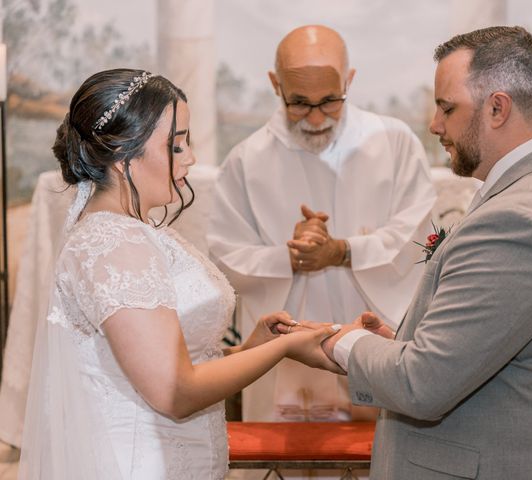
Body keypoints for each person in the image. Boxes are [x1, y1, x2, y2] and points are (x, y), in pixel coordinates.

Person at [318, 26, 532, 479]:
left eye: (446, 108)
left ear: (497, 107)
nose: (435, 124)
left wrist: (339, 342)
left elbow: (422, 384)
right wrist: (397, 347)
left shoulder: (524, 218)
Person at [17, 68, 340, 480]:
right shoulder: (113, 244)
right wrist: (282, 351)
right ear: (123, 154)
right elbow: (173, 391)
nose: (191, 158)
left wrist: (251, 348)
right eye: (177, 145)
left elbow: (157, 360)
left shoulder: (139, 232)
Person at [208, 25, 437, 424]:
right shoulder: (246, 161)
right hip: (283, 354)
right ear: (274, 84)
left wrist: (343, 251)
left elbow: (418, 239)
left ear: (349, 80)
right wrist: (290, 260)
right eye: (298, 102)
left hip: (372, 344)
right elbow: (224, 257)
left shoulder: (395, 142)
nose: (315, 117)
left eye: (329, 101)